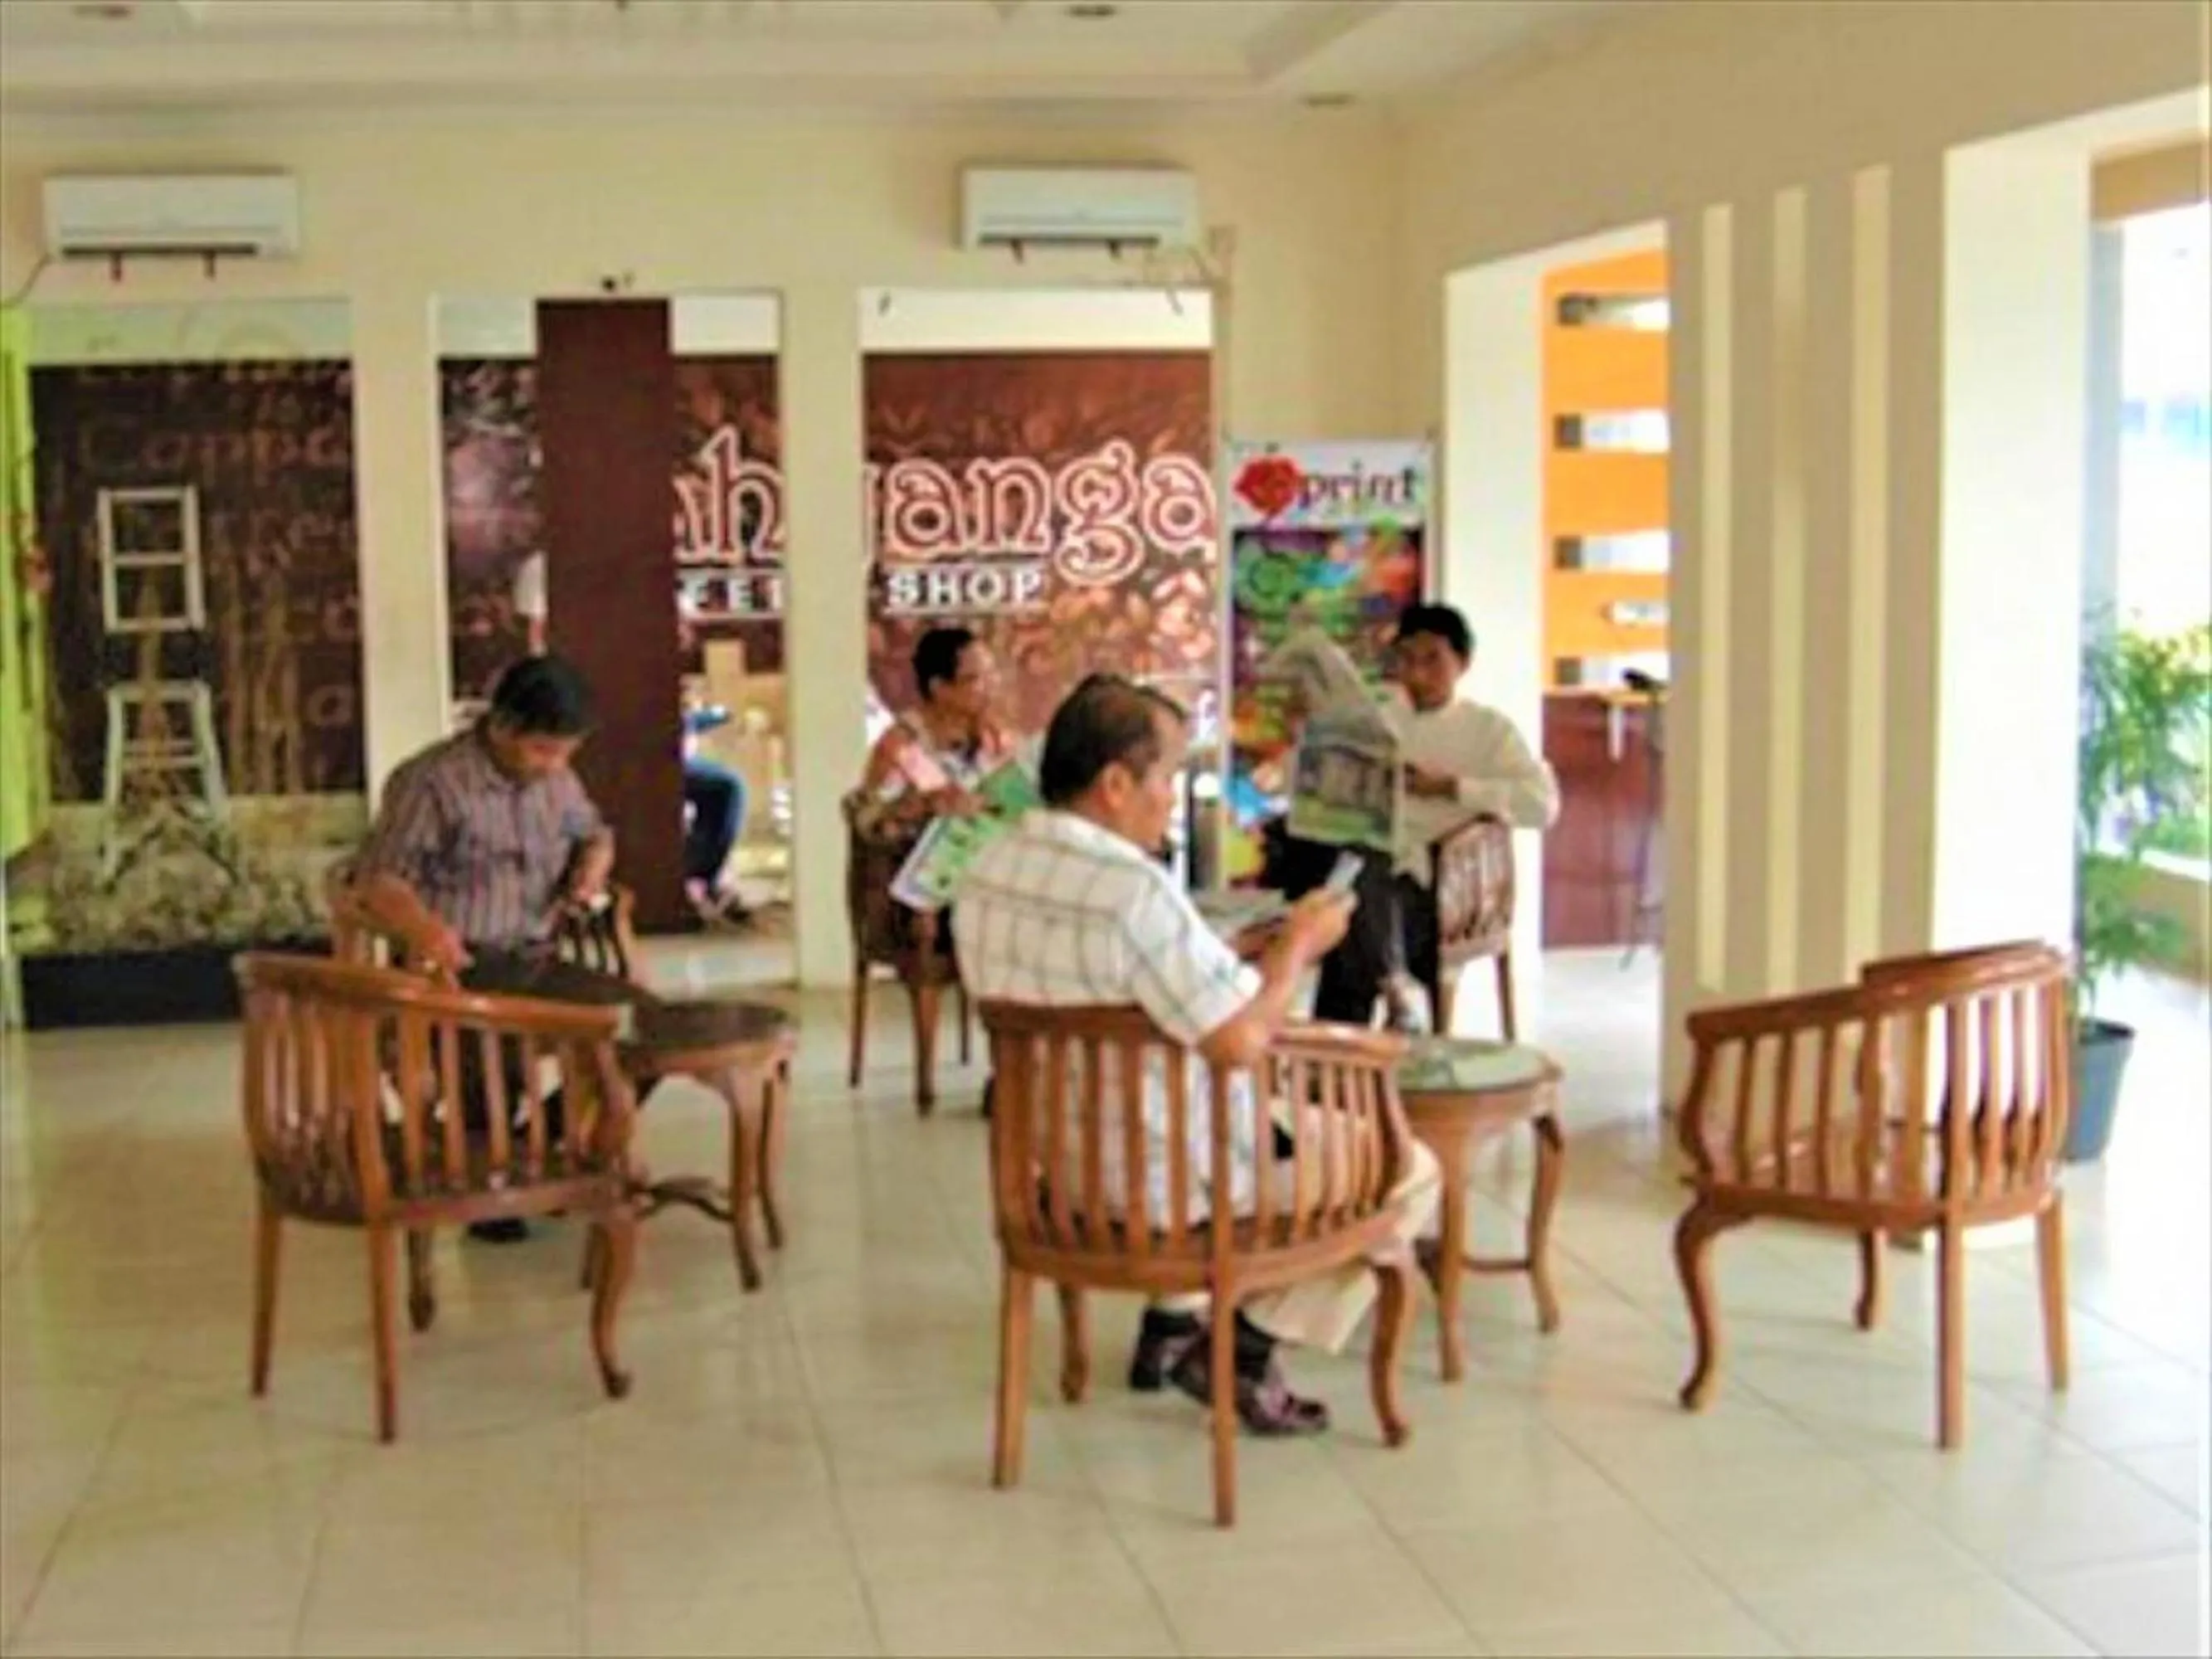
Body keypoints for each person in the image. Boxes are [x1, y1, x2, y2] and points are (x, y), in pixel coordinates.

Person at [954, 674, 1441, 1437]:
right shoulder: (1132, 891)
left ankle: (1171, 1323)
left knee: (1167, 1111)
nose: (1174, 794)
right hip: (1169, 1189)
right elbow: (1241, 1039)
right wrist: (1298, 952)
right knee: (1405, 1169)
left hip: (1053, 1183)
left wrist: (1233, 952)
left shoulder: (984, 873)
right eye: (1170, 775)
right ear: (1116, 784)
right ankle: (1240, 1349)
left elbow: (1118, 978)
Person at [352, 654, 623, 1241]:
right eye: (541, 751)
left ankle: (522, 1152)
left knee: (639, 1032)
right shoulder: (431, 782)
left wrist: (591, 870)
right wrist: (428, 932)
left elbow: (595, 831)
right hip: (457, 963)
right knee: (490, 1057)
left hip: (536, 953)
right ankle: (493, 1179)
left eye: (565, 753)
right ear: (500, 726)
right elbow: (380, 881)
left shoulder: (558, 779)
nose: (554, 765)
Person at [1281, 603, 1560, 1029]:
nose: (1418, 672)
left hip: (1439, 892)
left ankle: (1338, 1059)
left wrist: (1453, 787)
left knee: (1350, 911)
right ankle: (1392, 988)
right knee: (1350, 879)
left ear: (1462, 663)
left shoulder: (1489, 730)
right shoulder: (1380, 720)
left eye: (1433, 659)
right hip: (1373, 874)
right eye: (1408, 658)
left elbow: (1542, 804)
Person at [513, 550, 749, 923]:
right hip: (610, 747)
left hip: (650, 746)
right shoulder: (550, 574)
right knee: (718, 788)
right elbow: (537, 643)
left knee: (723, 787)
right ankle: (683, 881)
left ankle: (696, 878)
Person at [858, 625, 1014, 834]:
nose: (992, 685)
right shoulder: (900, 748)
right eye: (976, 679)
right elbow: (872, 824)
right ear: (939, 687)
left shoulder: (996, 737)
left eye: (993, 673)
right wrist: (925, 807)